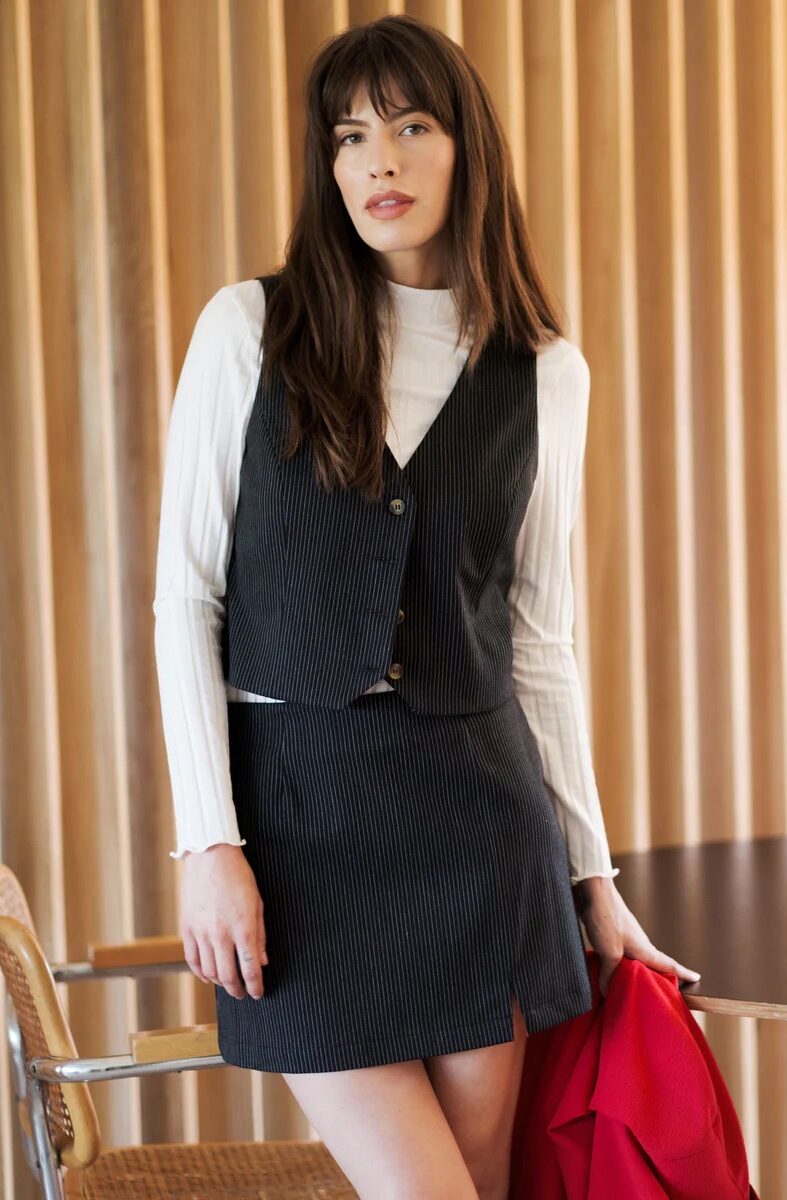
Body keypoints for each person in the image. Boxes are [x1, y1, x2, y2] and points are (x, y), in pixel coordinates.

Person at [152, 14, 701, 1200]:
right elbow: (182, 599)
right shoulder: (249, 331)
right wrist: (210, 841)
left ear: (467, 151)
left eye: (410, 126)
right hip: (300, 831)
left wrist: (591, 878)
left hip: (481, 832)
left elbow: (542, 643)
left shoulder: (546, 371)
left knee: (483, 1187)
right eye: (350, 136)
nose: (379, 162)